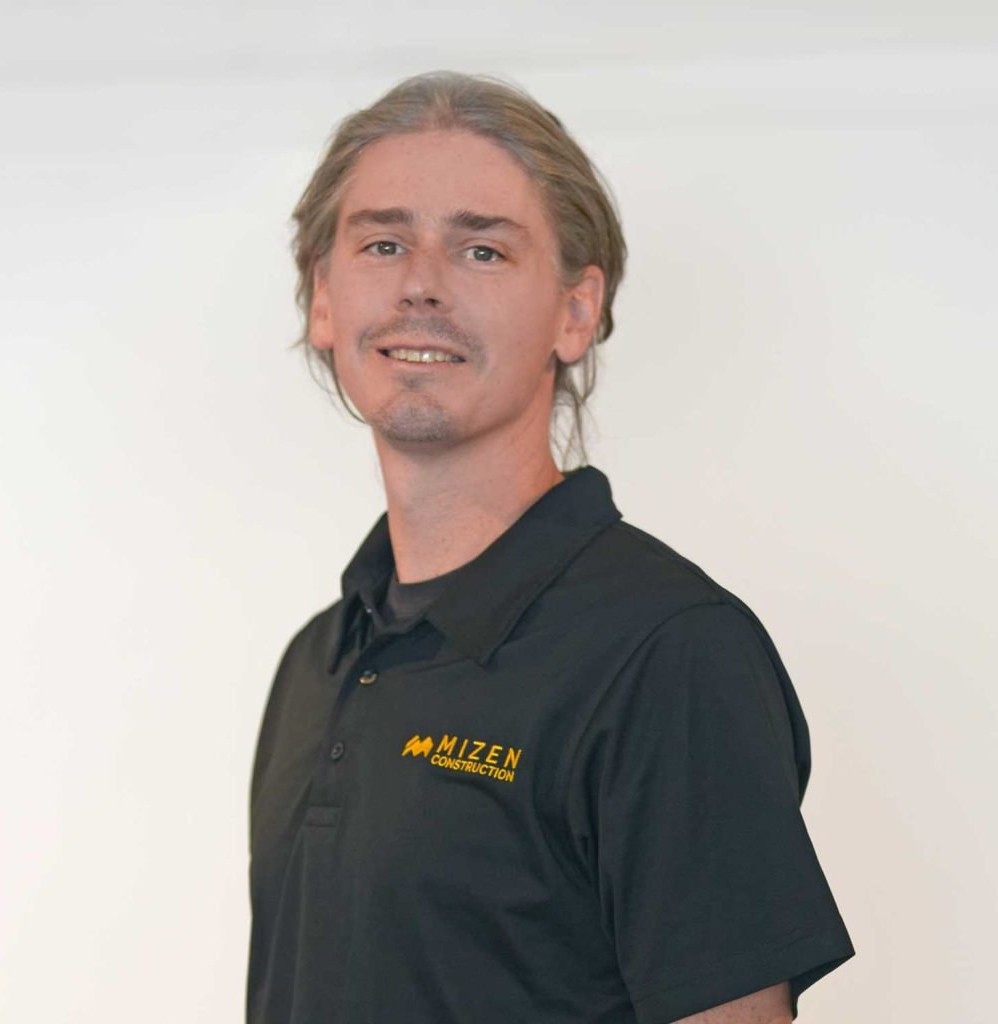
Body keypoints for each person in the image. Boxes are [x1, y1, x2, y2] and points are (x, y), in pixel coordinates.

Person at [247, 71, 854, 1024]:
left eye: (482, 249)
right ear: (325, 301)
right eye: (383, 242)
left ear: (575, 312)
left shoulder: (666, 652)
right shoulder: (317, 661)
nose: (420, 284)